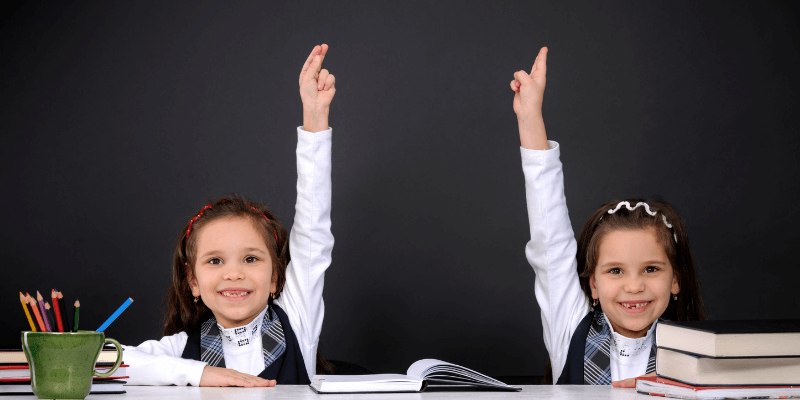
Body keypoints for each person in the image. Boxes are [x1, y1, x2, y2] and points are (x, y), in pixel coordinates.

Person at [122, 44, 337, 387]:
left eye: (251, 258)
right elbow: (107, 363)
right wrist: (199, 373)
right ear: (193, 282)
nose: (234, 273)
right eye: (215, 261)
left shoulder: (297, 319)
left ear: (275, 280)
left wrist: (314, 119)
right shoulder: (182, 348)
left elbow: (314, 225)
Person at [511, 47, 706, 386]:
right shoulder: (570, 325)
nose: (634, 286)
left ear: (676, 280)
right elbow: (549, 240)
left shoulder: (700, 357)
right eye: (615, 270)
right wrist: (530, 118)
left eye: (652, 268)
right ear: (593, 285)